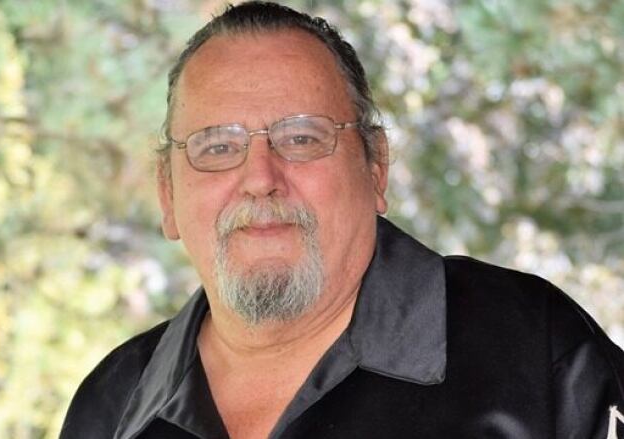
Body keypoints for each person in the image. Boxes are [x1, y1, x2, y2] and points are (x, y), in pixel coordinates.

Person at [60, 2, 624, 438]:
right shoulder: (111, 406)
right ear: (167, 193)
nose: (260, 177)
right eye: (216, 147)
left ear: (376, 166)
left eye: (301, 138)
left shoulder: (532, 346)